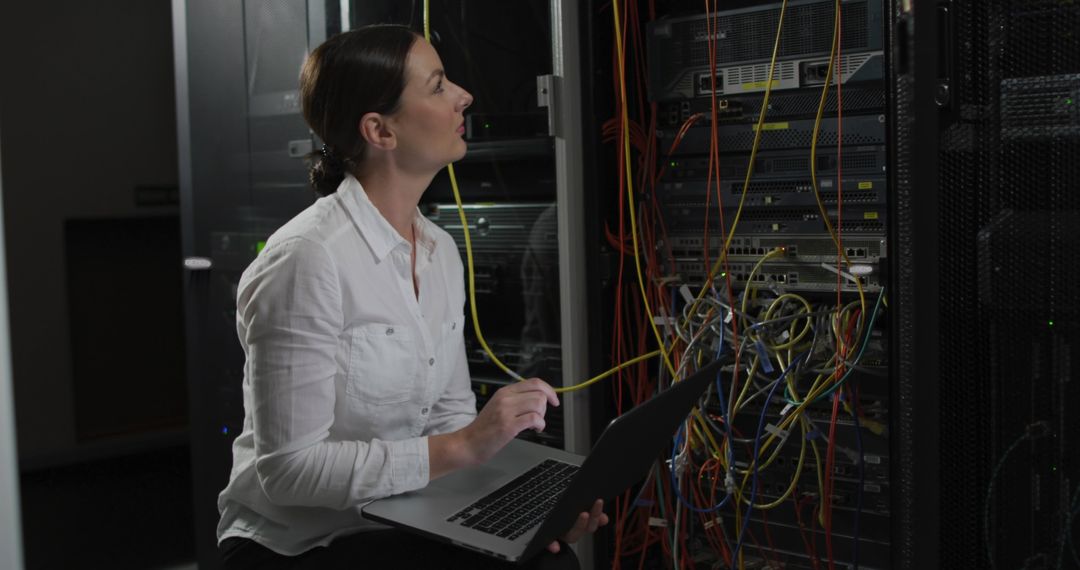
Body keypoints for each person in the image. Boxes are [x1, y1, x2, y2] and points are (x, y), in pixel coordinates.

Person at [214, 24, 608, 570]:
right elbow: (287, 473)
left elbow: (448, 415)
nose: (464, 95)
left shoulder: (439, 250)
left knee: (550, 556)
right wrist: (464, 447)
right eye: (439, 85)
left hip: (403, 515)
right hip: (300, 544)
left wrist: (529, 509)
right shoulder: (307, 260)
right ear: (380, 130)